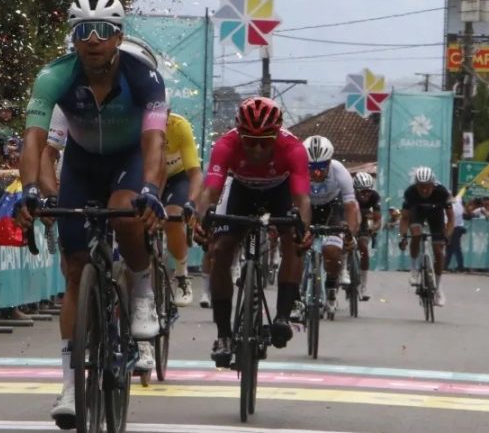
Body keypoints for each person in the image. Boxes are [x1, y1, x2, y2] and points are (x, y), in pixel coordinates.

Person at [14, 0, 167, 428]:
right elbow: (34, 139)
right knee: (75, 268)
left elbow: (154, 141)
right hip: (82, 165)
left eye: (103, 31)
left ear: (118, 37)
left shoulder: (145, 78)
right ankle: (68, 384)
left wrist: (153, 188)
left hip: (129, 161)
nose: (93, 40)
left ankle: (141, 291)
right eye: (84, 31)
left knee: (125, 213)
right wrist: (28, 189)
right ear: (74, 38)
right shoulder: (54, 76)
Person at [192, 96, 312, 367]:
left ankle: (282, 316)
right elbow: (211, 189)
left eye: (265, 141)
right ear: (239, 134)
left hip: (278, 193)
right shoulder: (226, 145)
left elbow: (302, 199)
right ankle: (224, 335)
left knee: (293, 241)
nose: (257, 148)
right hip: (241, 192)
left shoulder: (292, 148)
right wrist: (201, 222)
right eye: (249, 140)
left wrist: (302, 229)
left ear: (277, 134)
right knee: (220, 251)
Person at [116, 36, 203, 307]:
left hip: (175, 177)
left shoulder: (180, 127)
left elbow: (195, 173)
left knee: (174, 217)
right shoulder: (131, 125)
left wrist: (191, 202)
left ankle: (181, 274)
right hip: (144, 173)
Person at [301, 136, 360, 317]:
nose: (317, 173)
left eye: (321, 168)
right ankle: (296, 294)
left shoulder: (339, 171)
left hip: (333, 208)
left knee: (333, 251)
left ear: (329, 162)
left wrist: (350, 234)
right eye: (312, 168)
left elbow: (351, 206)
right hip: (306, 205)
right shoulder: (296, 170)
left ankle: (332, 284)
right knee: (295, 247)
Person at [398, 167, 453, 307]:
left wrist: (447, 234)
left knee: (439, 252)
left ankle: (439, 288)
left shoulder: (442, 192)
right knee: (416, 233)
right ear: (416, 185)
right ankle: (414, 269)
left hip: (436, 215)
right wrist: (403, 236)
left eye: (427, 187)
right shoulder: (410, 192)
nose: (424, 190)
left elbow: (451, 218)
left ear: (433, 185)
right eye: (420, 187)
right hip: (417, 213)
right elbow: (404, 218)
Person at [352, 171, 380, 301]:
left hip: (363, 221)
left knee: (363, 248)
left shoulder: (374, 197)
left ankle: (364, 286)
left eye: (368, 192)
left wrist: (372, 228)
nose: (366, 195)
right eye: (362, 192)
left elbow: (378, 219)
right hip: (350, 218)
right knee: (344, 246)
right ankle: (342, 272)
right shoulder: (349, 194)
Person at [445, 192, 467, 272]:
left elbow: (447, 220)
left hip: (454, 228)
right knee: (450, 248)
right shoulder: (457, 200)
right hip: (458, 227)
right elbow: (460, 194)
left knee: (455, 247)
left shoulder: (449, 207)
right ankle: (446, 265)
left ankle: (460, 266)